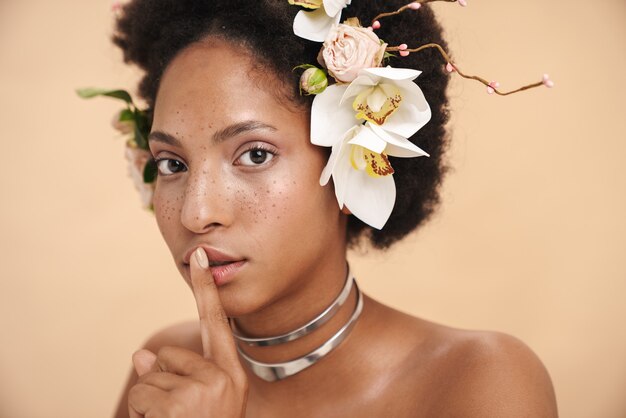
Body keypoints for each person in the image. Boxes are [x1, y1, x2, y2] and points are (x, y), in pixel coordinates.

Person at [106, 0, 558, 416]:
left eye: (256, 154)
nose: (196, 213)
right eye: (172, 163)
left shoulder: (481, 382)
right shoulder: (166, 375)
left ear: (356, 165)